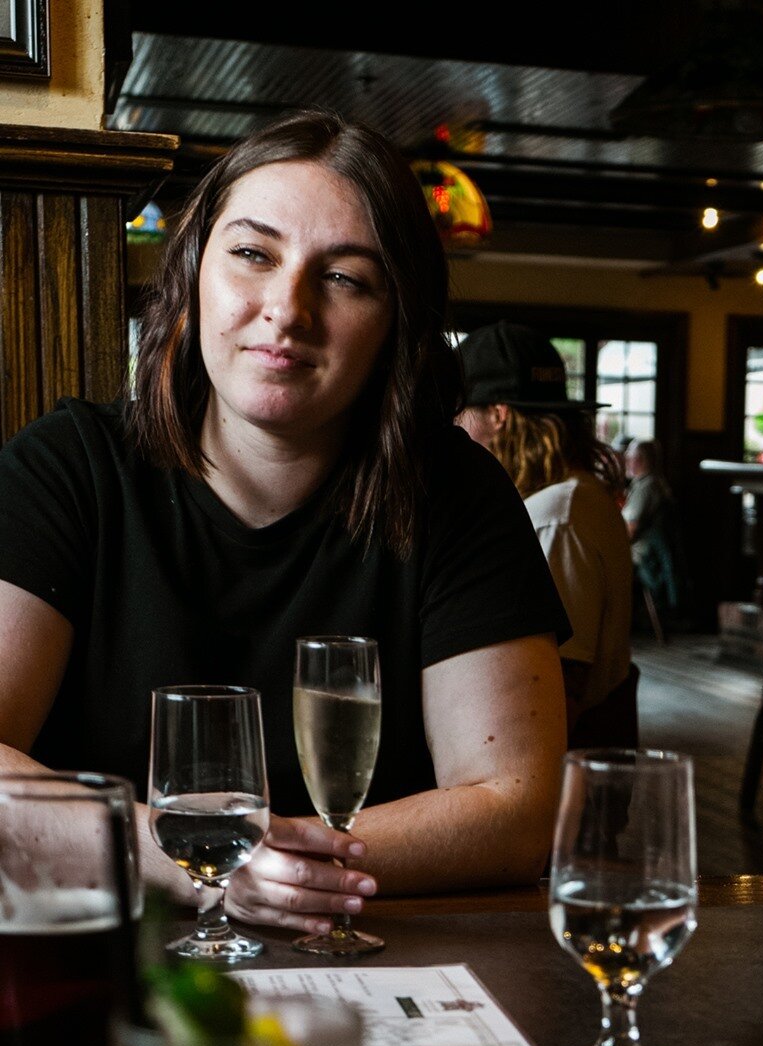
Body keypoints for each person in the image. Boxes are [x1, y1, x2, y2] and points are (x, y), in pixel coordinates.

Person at [0, 110, 572, 938]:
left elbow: (516, 808)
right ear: (194, 271)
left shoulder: (454, 491)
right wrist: (210, 863)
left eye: (346, 278)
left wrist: (276, 865)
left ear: (396, 323)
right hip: (110, 966)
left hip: (372, 971)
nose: (288, 309)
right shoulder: (69, 466)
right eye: (252, 254)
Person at [455, 320, 636, 747]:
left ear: (498, 415)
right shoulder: (571, 497)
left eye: (459, 414)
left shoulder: (556, 518)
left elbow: (559, 692)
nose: (454, 430)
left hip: (560, 782)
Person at [622, 437, 684, 620]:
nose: (626, 461)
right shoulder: (654, 483)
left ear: (639, 460)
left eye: (629, 457)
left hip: (644, 557)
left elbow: (630, 530)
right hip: (653, 554)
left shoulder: (646, 487)